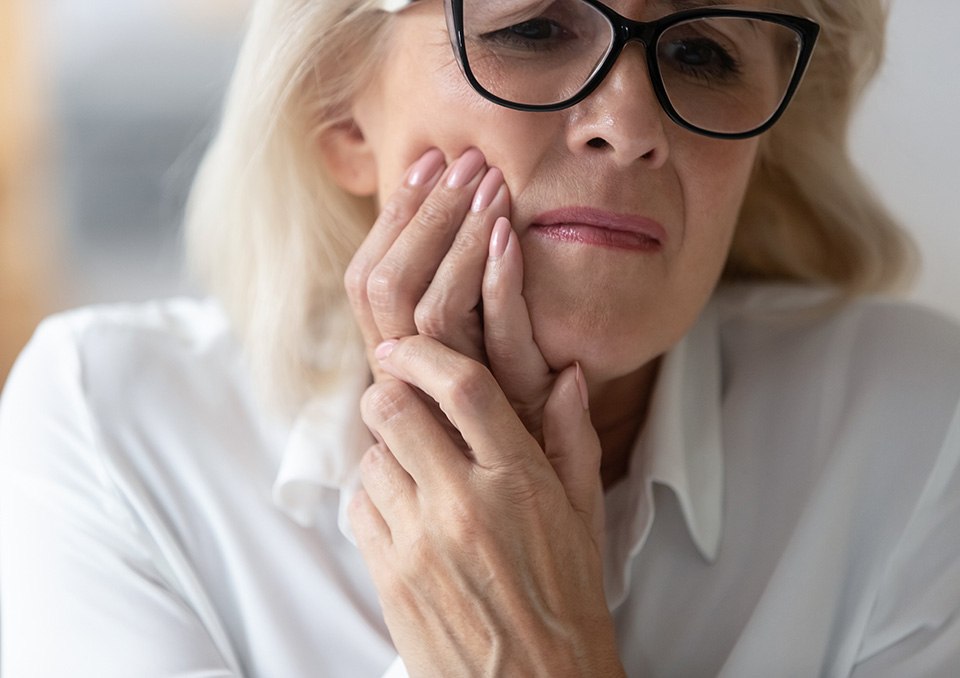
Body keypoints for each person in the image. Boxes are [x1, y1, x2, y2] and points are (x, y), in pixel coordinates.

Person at [2, 0, 959, 675]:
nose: (630, 125)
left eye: (702, 51)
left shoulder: (911, 435)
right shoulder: (109, 428)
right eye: (532, 28)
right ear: (339, 115)